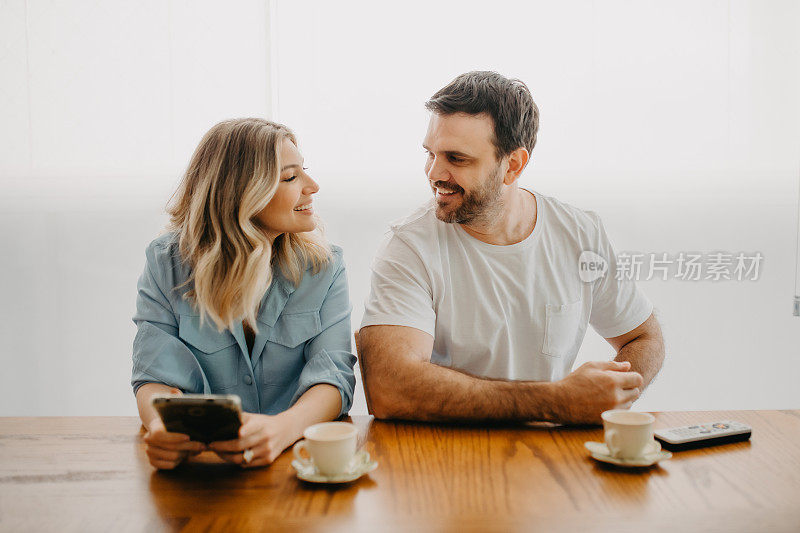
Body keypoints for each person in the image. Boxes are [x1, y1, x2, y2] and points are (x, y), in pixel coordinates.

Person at [358, 71, 665, 424]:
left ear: (513, 165)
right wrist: (557, 401)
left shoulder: (580, 234)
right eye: (430, 153)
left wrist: (609, 395)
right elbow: (388, 387)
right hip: (443, 457)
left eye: (456, 159)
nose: (434, 173)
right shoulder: (409, 246)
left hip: (551, 457)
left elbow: (644, 336)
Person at [131, 118, 356, 469]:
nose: (312, 186)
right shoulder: (165, 264)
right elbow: (155, 377)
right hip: (201, 466)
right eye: (291, 177)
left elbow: (333, 376)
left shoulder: (324, 267)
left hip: (295, 460)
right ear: (242, 193)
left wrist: (282, 429)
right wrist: (160, 426)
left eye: (304, 171)